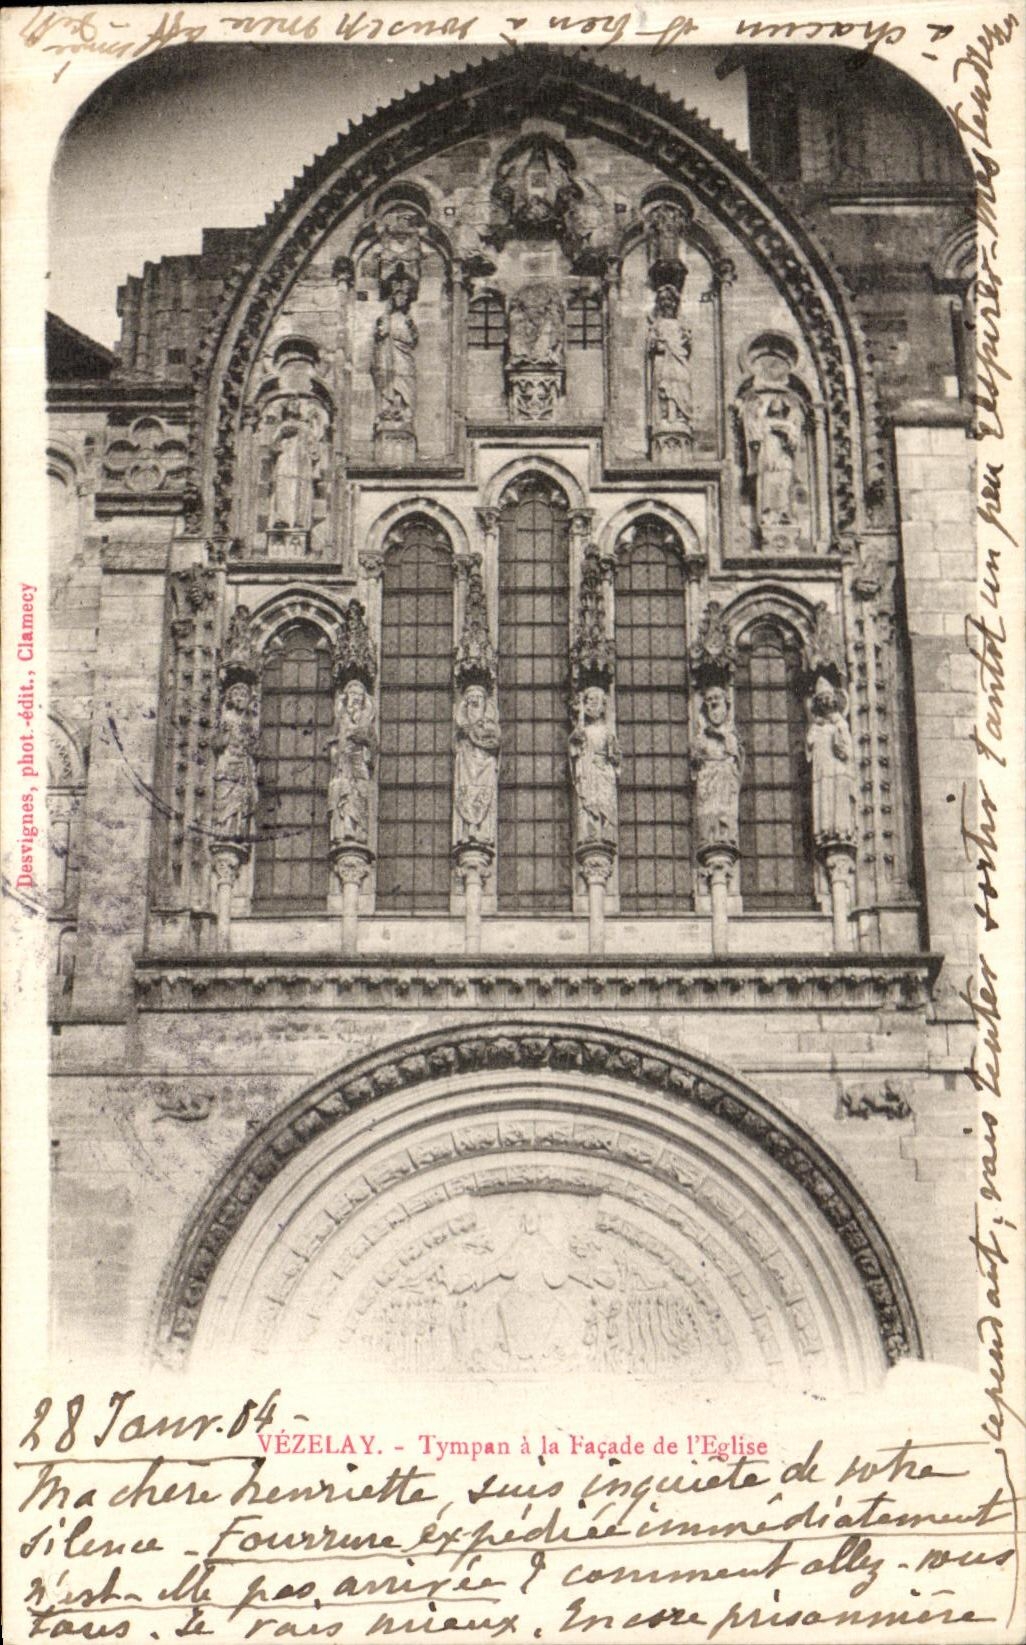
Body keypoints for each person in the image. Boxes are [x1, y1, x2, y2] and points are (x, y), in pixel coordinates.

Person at [691, 685, 744, 854]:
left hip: (725, 779)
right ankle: (709, 838)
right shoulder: (701, 735)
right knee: (708, 814)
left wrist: (721, 737)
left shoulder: (730, 734)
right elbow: (696, 755)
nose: (713, 704)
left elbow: (735, 754)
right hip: (708, 779)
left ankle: (725, 836)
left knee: (724, 814)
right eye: (709, 700)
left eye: (717, 699)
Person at [805, 678, 856, 845]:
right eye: (822, 699)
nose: (826, 702)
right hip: (822, 769)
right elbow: (810, 746)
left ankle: (841, 831)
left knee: (838, 796)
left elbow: (848, 750)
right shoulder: (815, 727)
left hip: (838, 769)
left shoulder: (841, 724)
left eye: (828, 698)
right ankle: (825, 831)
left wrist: (841, 748)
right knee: (824, 795)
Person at [569, 685, 621, 845]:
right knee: (588, 804)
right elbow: (574, 749)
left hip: (603, 771)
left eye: (594, 700)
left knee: (605, 804)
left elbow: (616, 755)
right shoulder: (583, 730)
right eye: (588, 700)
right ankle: (589, 834)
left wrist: (613, 756)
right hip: (587, 772)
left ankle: (606, 834)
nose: (591, 704)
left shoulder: (607, 731)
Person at [329, 679, 378, 846]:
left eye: (359, 694)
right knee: (345, 793)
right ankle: (346, 829)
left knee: (360, 793)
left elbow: (373, 743)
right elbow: (333, 741)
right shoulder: (341, 718)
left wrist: (364, 741)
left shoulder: (366, 720)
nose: (356, 698)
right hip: (344, 763)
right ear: (346, 697)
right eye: (352, 694)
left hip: (360, 762)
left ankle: (360, 830)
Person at [453, 684, 501, 847]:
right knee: (467, 794)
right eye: (470, 704)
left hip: (484, 762)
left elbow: (493, 741)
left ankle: (482, 830)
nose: (473, 709)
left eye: (477, 703)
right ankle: (467, 830)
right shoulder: (462, 731)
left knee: (482, 794)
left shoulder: (489, 725)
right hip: (467, 763)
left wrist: (475, 734)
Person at [211, 681, 257, 843]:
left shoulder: (250, 721)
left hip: (243, 767)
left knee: (241, 798)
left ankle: (236, 832)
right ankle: (224, 830)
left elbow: (253, 747)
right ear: (230, 698)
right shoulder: (226, 718)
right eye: (236, 695)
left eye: (244, 696)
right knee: (226, 797)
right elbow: (217, 743)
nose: (239, 699)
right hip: (227, 764)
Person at [647, 286, 694, 444]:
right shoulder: (656, 325)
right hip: (662, 361)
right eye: (664, 301)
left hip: (678, 360)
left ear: (675, 304)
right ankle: (666, 418)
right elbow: (651, 345)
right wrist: (657, 344)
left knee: (680, 386)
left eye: (671, 300)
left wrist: (687, 339)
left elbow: (687, 344)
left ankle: (680, 419)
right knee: (664, 390)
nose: (668, 304)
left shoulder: (681, 325)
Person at [371, 280, 418, 429]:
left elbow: (412, 340)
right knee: (389, 380)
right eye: (398, 295)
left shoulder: (408, 320)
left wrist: (404, 333)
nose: (401, 299)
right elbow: (379, 337)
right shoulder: (386, 318)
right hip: (388, 355)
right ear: (393, 298)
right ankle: (389, 409)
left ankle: (403, 411)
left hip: (403, 356)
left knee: (404, 379)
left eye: (404, 296)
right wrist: (382, 331)